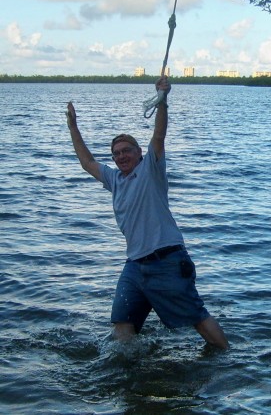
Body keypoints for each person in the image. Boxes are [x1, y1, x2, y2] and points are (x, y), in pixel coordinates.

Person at [66, 76, 229, 349]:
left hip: (167, 260)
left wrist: (162, 99)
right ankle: (126, 375)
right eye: (116, 153)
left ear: (139, 152)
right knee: (123, 324)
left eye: (126, 150)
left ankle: (229, 359)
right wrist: (73, 126)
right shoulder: (114, 179)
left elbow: (159, 135)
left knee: (196, 316)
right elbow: (87, 162)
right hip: (134, 267)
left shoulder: (150, 169)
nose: (121, 156)